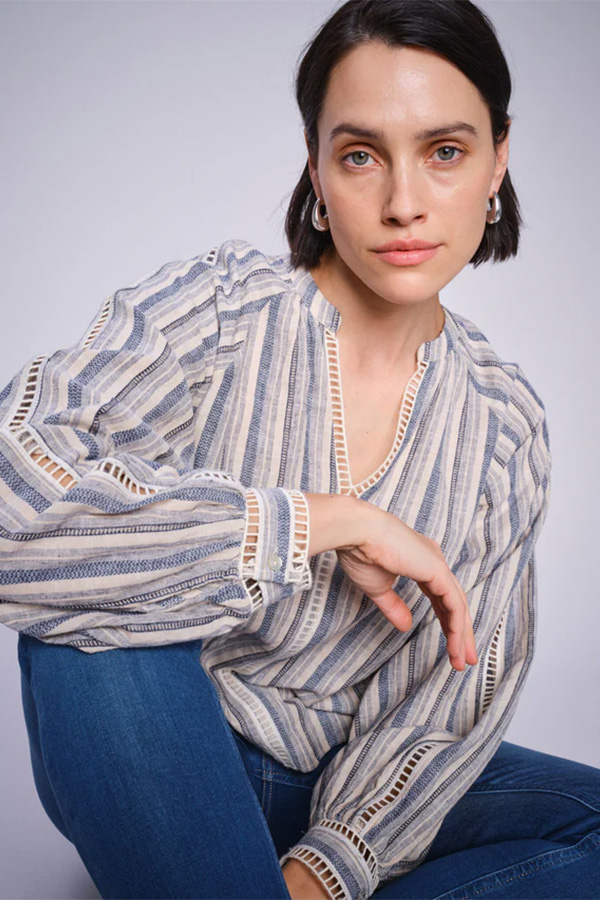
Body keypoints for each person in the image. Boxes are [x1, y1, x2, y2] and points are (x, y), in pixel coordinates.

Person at [1, 0, 599, 897]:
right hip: (156, 732)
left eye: (445, 151)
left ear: (497, 160)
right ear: (316, 168)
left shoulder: (504, 425)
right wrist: (316, 522)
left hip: (333, 774)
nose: (404, 204)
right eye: (361, 155)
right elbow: (11, 497)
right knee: (100, 622)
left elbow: (445, 712)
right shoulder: (220, 313)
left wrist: (325, 871)